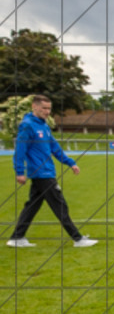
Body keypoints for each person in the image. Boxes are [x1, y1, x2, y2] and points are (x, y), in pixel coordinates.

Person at [9, 95, 98, 248]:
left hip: (45, 173)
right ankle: (78, 239)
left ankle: (17, 238)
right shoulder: (27, 125)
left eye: (49, 108)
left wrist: (70, 162)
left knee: (32, 206)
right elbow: (20, 151)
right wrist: (19, 172)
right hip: (42, 174)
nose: (47, 111)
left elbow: (55, 148)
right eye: (44, 108)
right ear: (34, 107)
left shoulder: (44, 126)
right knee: (60, 205)